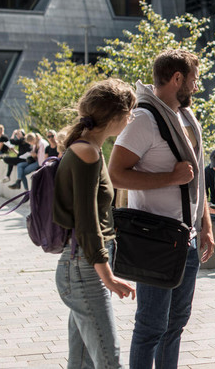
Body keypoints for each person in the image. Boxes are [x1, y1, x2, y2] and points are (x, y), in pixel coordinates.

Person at [108, 49, 214, 369]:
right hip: (155, 239)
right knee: (150, 327)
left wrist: (206, 225)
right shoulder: (144, 119)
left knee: (176, 324)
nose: (197, 86)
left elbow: (196, 179)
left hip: (187, 238)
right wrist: (171, 177)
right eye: (194, 79)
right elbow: (116, 174)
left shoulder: (184, 117)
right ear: (177, 78)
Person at [53, 78, 137, 368]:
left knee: (83, 360)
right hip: (84, 267)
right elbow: (87, 222)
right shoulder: (86, 152)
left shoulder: (88, 148)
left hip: (80, 265)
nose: (131, 118)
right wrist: (108, 276)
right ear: (116, 116)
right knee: (108, 359)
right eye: (130, 112)